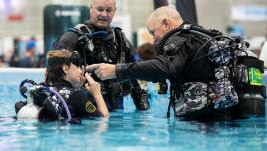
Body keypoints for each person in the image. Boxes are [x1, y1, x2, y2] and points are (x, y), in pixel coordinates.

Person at [86, 6, 266, 121]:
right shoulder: (200, 37)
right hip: (223, 116)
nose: (154, 39)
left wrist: (117, 70)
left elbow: (165, 67)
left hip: (206, 122)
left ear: (166, 23)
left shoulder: (181, 39)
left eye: (153, 31)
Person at [54, 0, 149, 111]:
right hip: (85, 112)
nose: (104, 14)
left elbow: (139, 68)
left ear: (114, 11)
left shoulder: (120, 38)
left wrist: (143, 108)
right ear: (91, 8)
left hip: (116, 111)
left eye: (109, 10)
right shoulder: (72, 38)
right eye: (100, 9)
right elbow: (53, 73)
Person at [15, 49, 109, 121]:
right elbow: (103, 119)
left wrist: (76, 87)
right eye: (77, 66)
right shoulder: (77, 95)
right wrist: (97, 94)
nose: (81, 71)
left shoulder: (44, 89)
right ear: (66, 68)